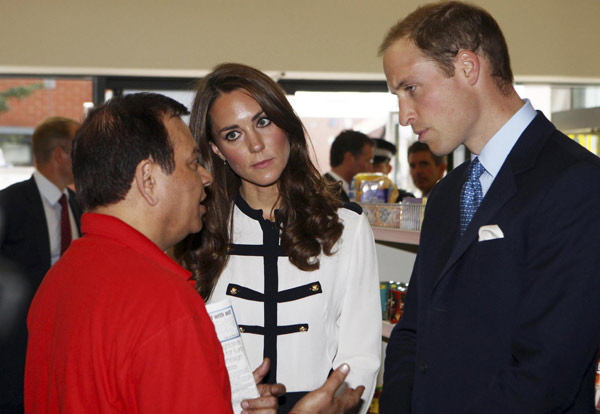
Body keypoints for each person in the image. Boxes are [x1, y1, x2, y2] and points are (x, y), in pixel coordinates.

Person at [25, 92, 366, 414]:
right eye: (191, 163)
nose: (205, 177)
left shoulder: (59, 280)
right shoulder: (162, 301)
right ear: (148, 179)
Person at [378, 2, 600, 414]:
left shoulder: (577, 182)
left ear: (467, 67)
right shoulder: (449, 193)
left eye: (411, 88)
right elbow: (413, 333)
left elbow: (546, 371)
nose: (405, 115)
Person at [175, 63, 381, 414]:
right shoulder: (196, 233)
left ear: (285, 123)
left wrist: (337, 405)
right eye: (233, 134)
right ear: (218, 151)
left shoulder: (346, 227)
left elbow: (360, 353)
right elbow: (182, 359)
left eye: (263, 122)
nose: (256, 145)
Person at [0, 116, 81, 414]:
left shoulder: (79, 205)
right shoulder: (9, 204)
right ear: (60, 154)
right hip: (15, 355)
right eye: (78, 149)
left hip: (66, 345)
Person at [324, 130, 374, 202]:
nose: (371, 168)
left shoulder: (337, 189)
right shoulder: (328, 194)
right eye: (368, 160)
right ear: (349, 158)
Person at [371, 138, 415, 202]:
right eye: (367, 166)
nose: (370, 170)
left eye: (376, 166)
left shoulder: (404, 199)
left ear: (389, 169)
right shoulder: (353, 197)